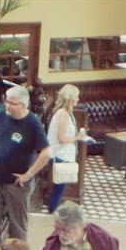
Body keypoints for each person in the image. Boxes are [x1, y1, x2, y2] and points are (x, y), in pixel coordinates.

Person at [0, 84, 51, 247]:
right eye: (6, 101)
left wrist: (28, 175)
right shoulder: (1, 116)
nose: (7, 105)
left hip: (17, 184)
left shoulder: (33, 123)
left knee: (17, 226)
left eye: (11, 103)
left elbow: (46, 153)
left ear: (23, 105)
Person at [45, 84, 81, 213]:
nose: (78, 99)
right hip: (60, 155)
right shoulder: (63, 114)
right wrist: (77, 137)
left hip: (62, 155)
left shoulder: (65, 113)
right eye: (76, 97)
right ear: (70, 98)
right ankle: (52, 213)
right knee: (59, 189)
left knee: (59, 188)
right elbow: (61, 138)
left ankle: (53, 212)